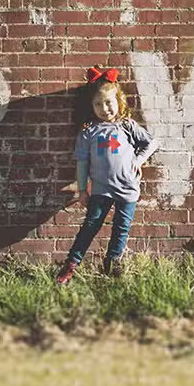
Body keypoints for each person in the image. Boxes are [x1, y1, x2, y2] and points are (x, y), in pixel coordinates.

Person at [56, 65, 158, 285]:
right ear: (91, 106)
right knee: (90, 226)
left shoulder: (127, 126)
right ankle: (71, 265)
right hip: (101, 189)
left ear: (118, 101)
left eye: (109, 102)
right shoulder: (88, 130)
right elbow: (82, 162)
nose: (104, 108)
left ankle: (112, 264)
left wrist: (139, 160)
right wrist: (82, 190)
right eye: (98, 104)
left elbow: (151, 142)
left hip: (128, 188)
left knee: (121, 228)